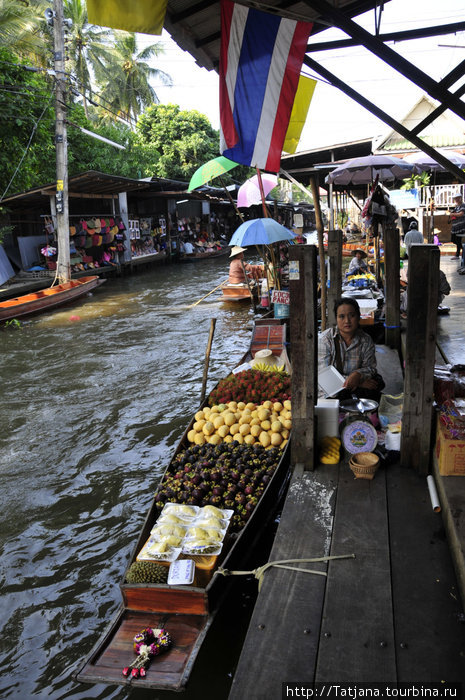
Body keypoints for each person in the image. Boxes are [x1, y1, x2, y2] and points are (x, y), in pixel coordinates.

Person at [319, 297, 384, 401]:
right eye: (341, 316)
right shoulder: (325, 340)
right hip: (331, 392)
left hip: (354, 391)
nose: (347, 321)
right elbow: (325, 376)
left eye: (352, 315)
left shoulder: (366, 340)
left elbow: (370, 367)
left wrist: (358, 374)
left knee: (377, 384)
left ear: (358, 317)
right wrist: (357, 382)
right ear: (336, 318)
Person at [450, 193, 465, 261]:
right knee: (454, 240)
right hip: (455, 227)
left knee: (458, 240)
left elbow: (461, 214)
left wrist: (453, 214)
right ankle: (461, 251)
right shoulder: (457, 207)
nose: (456, 200)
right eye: (455, 198)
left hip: (461, 227)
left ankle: (457, 254)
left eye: (457, 198)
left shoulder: (463, 205)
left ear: (460, 198)